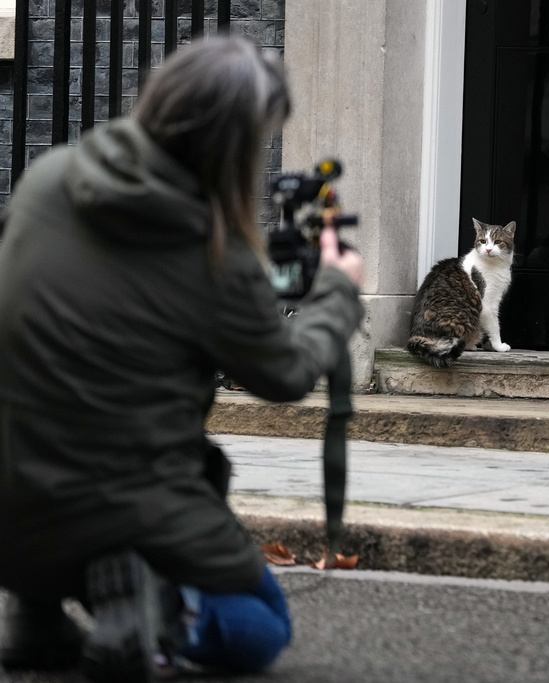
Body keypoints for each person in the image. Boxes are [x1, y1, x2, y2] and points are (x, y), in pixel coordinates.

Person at [0, 37, 365, 680]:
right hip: (122, 510)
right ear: (237, 145)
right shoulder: (214, 252)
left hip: (10, 504)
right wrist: (336, 290)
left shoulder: (48, 180)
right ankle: (139, 596)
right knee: (258, 630)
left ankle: (35, 618)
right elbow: (282, 374)